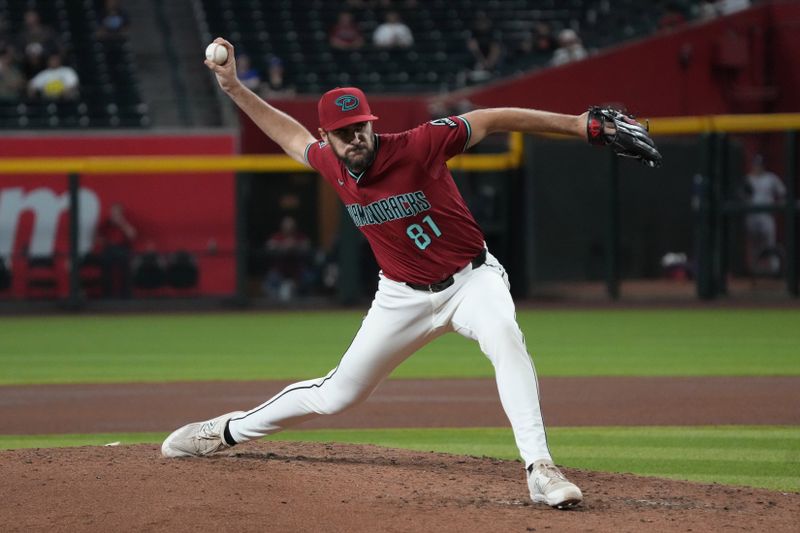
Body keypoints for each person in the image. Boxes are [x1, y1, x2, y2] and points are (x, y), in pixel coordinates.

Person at [162, 37, 661, 510]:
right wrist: (234, 88)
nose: (355, 137)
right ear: (327, 138)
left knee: (506, 335)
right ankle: (224, 431)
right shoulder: (330, 164)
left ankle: (541, 468)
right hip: (400, 296)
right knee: (338, 395)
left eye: (361, 126)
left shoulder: (417, 145)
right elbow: (290, 136)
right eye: (343, 132)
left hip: (471, 280)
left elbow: (490, 118)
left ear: (371, 124)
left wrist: (578, 125)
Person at [742, 155, 786, 275]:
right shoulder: (747, 179)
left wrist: (778, 207)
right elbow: (741, 197)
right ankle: (753, 271)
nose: (758, 167)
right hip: (752, 215)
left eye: (760, 165)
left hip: (767, 215)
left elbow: (782, 193)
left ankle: (774, 270)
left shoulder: (771, 178)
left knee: (770, 242)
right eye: (756, 165)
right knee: (753, 244)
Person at [264, 215, 313, 301]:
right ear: (282, 227)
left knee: (309, 278)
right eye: (286, 226)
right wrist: (283, 245)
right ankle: (276, 306)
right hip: (280, 271)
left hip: (298, 272)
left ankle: (304, 305)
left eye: (291, 226)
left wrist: (295, 245)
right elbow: (270, 246)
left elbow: (307, 245)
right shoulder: (277, 237)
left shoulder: (300, 237)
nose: (289, 228)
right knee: (270, 282)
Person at [96, 203, 137, 298]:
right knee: (105, 265)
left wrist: (122, 224)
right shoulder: (106, 224)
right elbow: (98, 239)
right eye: (113, 213)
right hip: (109, 249)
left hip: (123, 249)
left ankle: (126, 295)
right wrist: (104, 241)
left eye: (117, 213)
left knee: (126, 266)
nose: (114, 215)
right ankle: (107, 295)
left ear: (121, 213)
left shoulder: (126, 223)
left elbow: (132, 235)